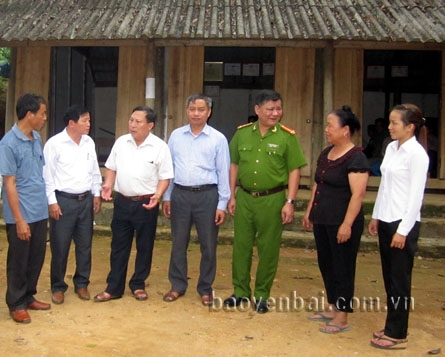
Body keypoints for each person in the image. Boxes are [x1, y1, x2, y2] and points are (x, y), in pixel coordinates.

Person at [223, 90, 307, 313]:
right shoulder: (241, 134)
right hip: (245, 198)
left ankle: (262, 294)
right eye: (270, 109)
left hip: (273, 199)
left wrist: (290, 201)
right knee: (241, 246)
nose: (275, 113)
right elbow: (233, 166)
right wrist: (231, 195)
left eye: (278, 108)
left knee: (268, 248)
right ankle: (240, 291)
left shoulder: (287, 137)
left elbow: (294, 170)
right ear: (257, 110)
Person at [94, 106, 173, 302]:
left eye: (138, 121)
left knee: (145, 246)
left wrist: (158, 194)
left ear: (150, 125)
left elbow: (165, 177)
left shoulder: (160, 147)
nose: (133, 125)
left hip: (146, 203)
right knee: (118, 246)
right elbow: (111, 168)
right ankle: (114, 287)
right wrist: (108, 185)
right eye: (131, 120)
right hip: (122, 201)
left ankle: (138, 284)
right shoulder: (121, 142)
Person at [303, 106, 370, 333]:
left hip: (342, 221)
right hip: (323, 219)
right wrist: (310, 211)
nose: (327, 130)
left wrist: (347, 224)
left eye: (331, 125)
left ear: (346, 130)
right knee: (327, 264)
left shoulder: (356, 157)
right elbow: (317, 185)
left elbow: (358, 194)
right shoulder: (326, 153)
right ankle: (332, 306)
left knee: (343, 267)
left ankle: (342, 316)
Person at [368, 104, 429, 350]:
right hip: (386, 217)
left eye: (395, 123)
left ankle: (397, 333)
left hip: (404, 222)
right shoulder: (392, 148)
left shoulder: (417, 154)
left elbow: (416, 196)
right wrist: (375, 215)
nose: (390, 127)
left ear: (410, 126)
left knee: (400, 279)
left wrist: (403, 230)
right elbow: (385, 186)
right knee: (389, 277)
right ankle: (392, 324)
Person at [162, 93, 230, 306]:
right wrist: (167, 196)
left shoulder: (218, 139)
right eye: (192, 109)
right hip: (180, 194)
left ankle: (205, 288)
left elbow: (223, 172)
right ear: (187, 111)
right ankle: (177, 285)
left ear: (209, 112)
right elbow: (169, 168)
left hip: (207, 196)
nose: (196, 113)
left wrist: (222, 204)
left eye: (201, 109)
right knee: (178, 242)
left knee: (208, 245)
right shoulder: (175, 136)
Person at [42, 105, 102, 304]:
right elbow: (47, 175)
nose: (88, 125)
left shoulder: (88, 142)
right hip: (63, 201)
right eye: (85, 121)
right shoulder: (55, 144)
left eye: (89, 120)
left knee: (85, 245)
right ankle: (58, 286)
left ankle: (82, 283)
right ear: (71, 123)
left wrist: (97, 193)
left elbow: (94, 169)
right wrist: (52, 201)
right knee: (60, 246)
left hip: (85, 200)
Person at [0, 93, 50, 323]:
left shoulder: (36, 138)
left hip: (39, 210)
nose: (44, 118)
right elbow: (9, 184)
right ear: (29, 115)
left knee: (36, 257)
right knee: (19, 259)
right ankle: (16, 302)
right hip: (21, 212)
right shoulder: (8, 144)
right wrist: (19, 219)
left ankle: (29, 295)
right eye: (42, 113)